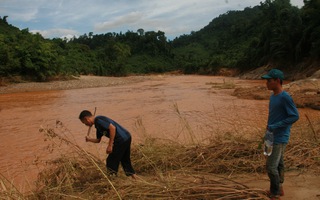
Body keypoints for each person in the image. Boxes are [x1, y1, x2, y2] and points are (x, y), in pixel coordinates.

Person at [261, 69, 299, 200]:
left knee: (271, 166)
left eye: (269, 81)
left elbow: (294, 116)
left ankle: (275, 193)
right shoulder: (273, 96)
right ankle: (279, 188)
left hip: (280, 136)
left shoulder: (285, 97)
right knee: (278, 163)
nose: (266, 83)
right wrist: (268, 130)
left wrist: (275, 126)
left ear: (277, 81)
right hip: (270, 135)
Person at [79, 110, 136, 179]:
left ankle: (113, 180)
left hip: (121, 140)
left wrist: (110, 145)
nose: (86, 125)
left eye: (84, 123)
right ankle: (134, 178)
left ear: (86, 119)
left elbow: (112, 128)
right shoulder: (97, 126)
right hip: (127, 137)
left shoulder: (98, 120)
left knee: (110, 161)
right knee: (124, 159)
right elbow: (98, 140)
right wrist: (89, 139)